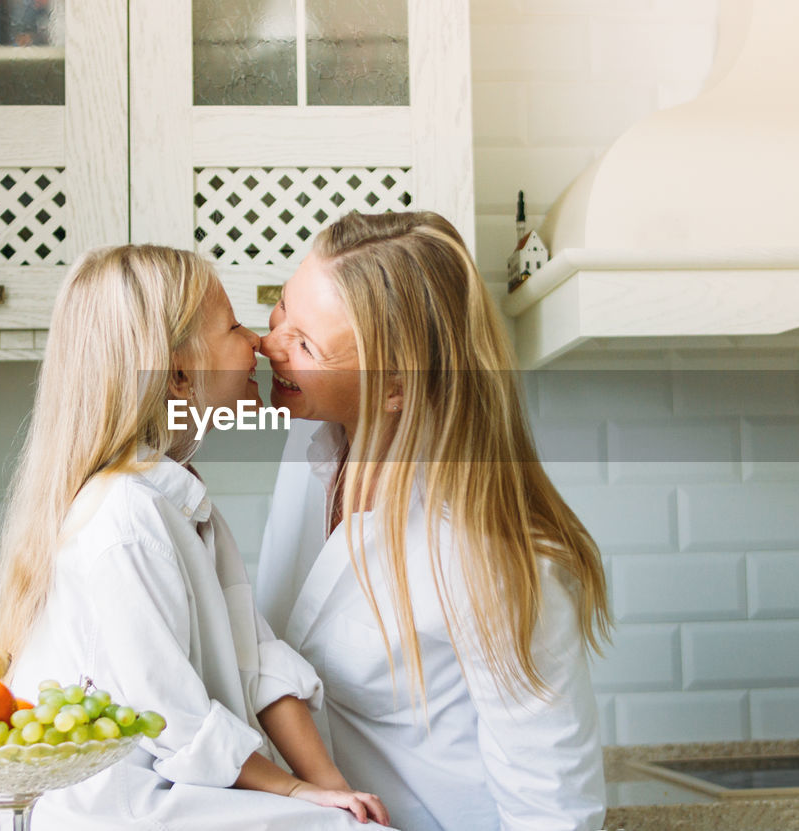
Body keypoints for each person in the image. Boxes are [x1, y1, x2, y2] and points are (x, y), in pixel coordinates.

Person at [0, 245, 390, 830]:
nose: (254, 341)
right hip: (128, 811)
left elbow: (258, 661)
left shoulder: (178, 499)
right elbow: (173, 716)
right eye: (231, 327)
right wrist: (297, 791)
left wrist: (336, 791)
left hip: (179, 789)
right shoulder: (123, 517)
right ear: (178, 372)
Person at [256, 211, 611, 831]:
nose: (270, 344)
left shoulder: (492, 555)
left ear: (396, 386)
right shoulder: (310, 445)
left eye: (306, 344)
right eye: (282, 309)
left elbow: (551, 807)